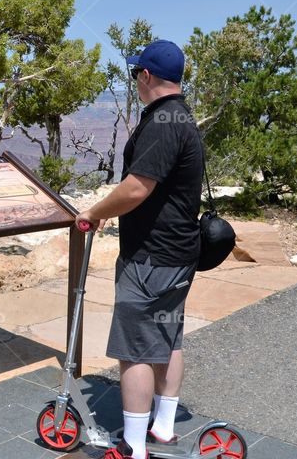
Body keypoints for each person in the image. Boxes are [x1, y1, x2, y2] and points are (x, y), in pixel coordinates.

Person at [75, 39, 203, 459]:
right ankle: (162, 427)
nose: (134, 80)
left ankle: (132, 447)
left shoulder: (162, 122)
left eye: (135, 74)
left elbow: (136, 187)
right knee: (168, 336)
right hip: (179, 254)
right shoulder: (183, 117)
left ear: (145, 76)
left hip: (151, 257)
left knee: (135, 350)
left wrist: (95, 212)